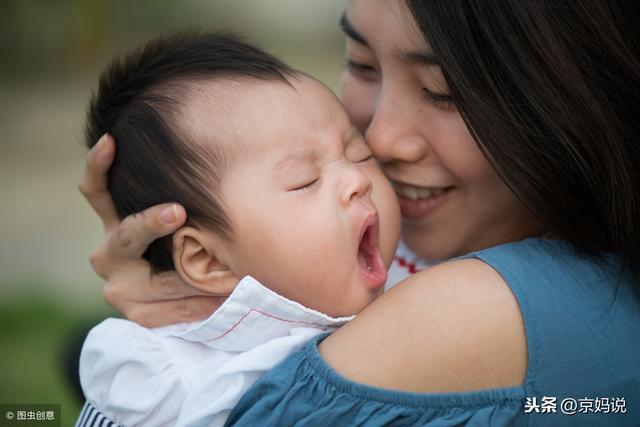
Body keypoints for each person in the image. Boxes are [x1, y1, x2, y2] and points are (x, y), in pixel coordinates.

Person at [77, 0, 640, 425]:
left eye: (442, 90)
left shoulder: (488, 312)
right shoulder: (163, 366)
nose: (379, 141)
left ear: (573, 90)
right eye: (363, 65)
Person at [77, 31, 400, 427]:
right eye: (304, 180)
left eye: (359, 154)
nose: (357, 179)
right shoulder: (169, 379)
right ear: (208, 260)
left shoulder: (426, 285)